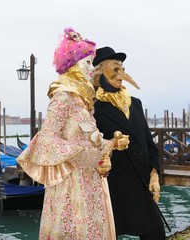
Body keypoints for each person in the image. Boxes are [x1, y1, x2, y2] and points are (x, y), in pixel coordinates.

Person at [17, 28, 128, 240]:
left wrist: (112, 144)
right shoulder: (62, 97)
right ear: (73, 66)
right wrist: (84, 155)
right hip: (71, 183)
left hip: (91, 181)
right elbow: (47, 138)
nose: (91, 69)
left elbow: (90, 141)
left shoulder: (83, 100)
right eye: (87, 64)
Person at [91, 46, 166, 240]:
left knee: (156, 233)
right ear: (100, 72)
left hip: (141, 183)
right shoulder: (93, 108)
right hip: (113, 186)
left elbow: (149, 143)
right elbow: (90, 147)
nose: (121, 75)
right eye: (115, 69)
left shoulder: (135, 103)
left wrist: (154, 173)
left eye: (122, 69)